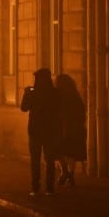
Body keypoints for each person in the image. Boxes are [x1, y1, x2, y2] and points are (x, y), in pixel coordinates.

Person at [20, 68, 61, 197]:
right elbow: (59, 111)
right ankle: (50, 188)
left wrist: (27, 94)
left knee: (35, 160)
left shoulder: (33, 93)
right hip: (50, 131)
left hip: (35, 130)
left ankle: (35, 188)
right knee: (49, 160)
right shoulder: (55, 93)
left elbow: (24, 108)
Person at [55, 73, 87, 188]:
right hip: (75, 129)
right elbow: (82, 112)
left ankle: (64, 172)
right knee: (71, 153)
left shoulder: (58, 96)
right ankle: (70, 175)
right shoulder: (75, 95)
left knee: (59, 151)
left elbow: (56, 112)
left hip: (62, 128)